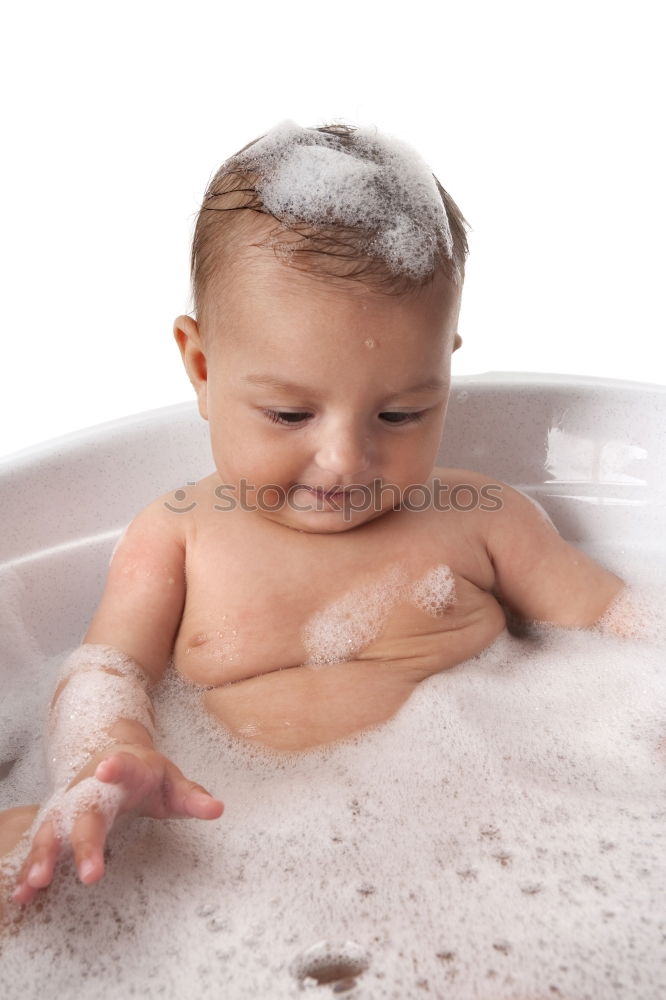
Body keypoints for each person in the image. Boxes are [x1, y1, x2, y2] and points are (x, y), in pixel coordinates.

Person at [1, 120, 626, 912]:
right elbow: (105, 671)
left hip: (483, 840)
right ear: (200, 365)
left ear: (446, 367)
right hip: (211, 838)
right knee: (30, 850)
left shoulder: (485, 520)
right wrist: (111, 761)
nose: (345, 459)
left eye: (401, 414)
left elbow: (618, 629)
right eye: (290, 414)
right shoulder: (181, 533)